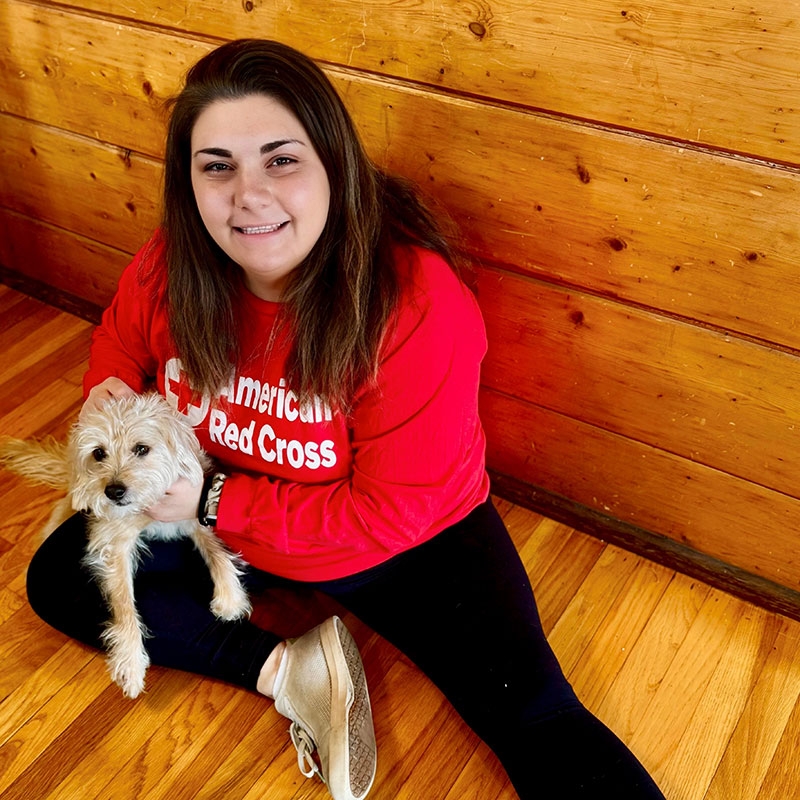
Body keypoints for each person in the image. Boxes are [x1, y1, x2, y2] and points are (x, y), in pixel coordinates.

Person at [26, 39, 666, 800]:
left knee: (537, 717)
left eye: (282, 160)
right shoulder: (176, 259)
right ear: (188, 181)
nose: (248, 196)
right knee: (61, 577)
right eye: (217, 166)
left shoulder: (415, 302)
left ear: (334, 162)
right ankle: (285, 669)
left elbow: (388, 511)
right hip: (222, 507)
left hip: (401, 540)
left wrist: (210, 502)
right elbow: (121, 338)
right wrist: (105, 397)